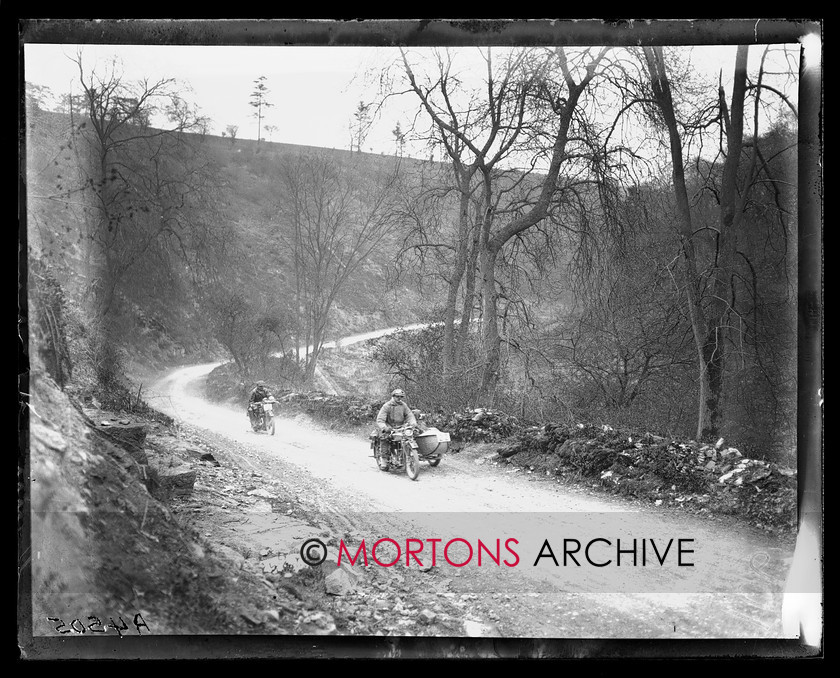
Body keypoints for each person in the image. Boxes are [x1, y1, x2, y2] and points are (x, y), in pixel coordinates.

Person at [375, 388, 417, 461]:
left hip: (401, 427)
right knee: (385, 438)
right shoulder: (386, 406)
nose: (399, 398)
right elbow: (380, 420)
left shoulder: (403, 405)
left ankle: (409, 454)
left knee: (413, 434)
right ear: (393, 396)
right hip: (389, 426)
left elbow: (409, 415)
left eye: (401, 397)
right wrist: (385, 427)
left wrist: (413, 423)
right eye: (397, 396)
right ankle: (384, 459)